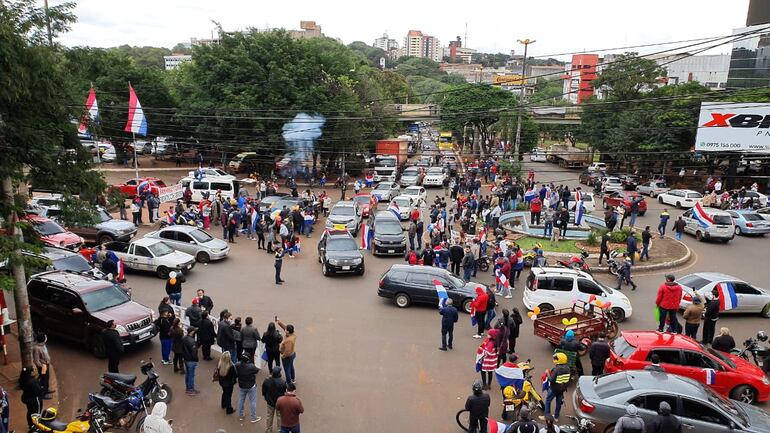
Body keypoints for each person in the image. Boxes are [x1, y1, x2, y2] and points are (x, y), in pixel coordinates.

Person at [544, 353, 571, 422]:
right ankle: (556, 417)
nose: (554, 359)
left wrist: (547, 373)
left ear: (559, 360)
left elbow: (551, 380)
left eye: (555, 358)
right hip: (562, 389)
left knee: (548, 401)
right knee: (559, 403)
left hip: (554, 389)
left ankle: (547, 416)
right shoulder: (568, 368)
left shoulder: (555, 369)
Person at [235, 353, 261, 423]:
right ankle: (253, 417)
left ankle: (241, 415)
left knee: (241, 400)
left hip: (242, 385)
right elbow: (257, 371)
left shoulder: (237, 365)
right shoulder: (251, 366)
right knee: (253, 402)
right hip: (251, 386)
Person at [262, 366, 287, 433]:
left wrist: (266, 398)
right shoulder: (282, 382)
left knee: (269, 416)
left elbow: (264, 391)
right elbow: (285, 393)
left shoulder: (266, 381)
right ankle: (280, 430)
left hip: (270, 402)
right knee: (279, 416)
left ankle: (268, 429)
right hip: (279, 403)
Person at [276, 317, 297, 384]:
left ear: (288, 331)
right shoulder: (293, 334)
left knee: (287, 369)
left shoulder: (289, 340)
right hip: (292, 354)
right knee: (291, 366)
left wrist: (283, 356)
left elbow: (287, 351)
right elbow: (285, 327)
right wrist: (279, 322)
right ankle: (293, 378)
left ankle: (289, 383)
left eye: (286, 329)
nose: (285, 329)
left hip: (288, 356)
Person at [31, 333, 52, 398]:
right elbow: (36, 360)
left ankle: (46, 390)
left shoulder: (43, 345)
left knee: (47, 378)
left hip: (46, 364)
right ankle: (43, 394)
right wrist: (43, 366)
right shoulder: (36, 348)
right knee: (43, 379)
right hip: (43, 366)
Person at [182, 326, 199, 395]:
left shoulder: (184, 338)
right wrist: (196, 360)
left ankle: (188, 388)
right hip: (191, 360)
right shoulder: (192, 341)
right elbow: (194, 353)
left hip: (186, 359)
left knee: (188, 374)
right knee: (191, 375)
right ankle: (190, 390)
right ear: (192, 332)